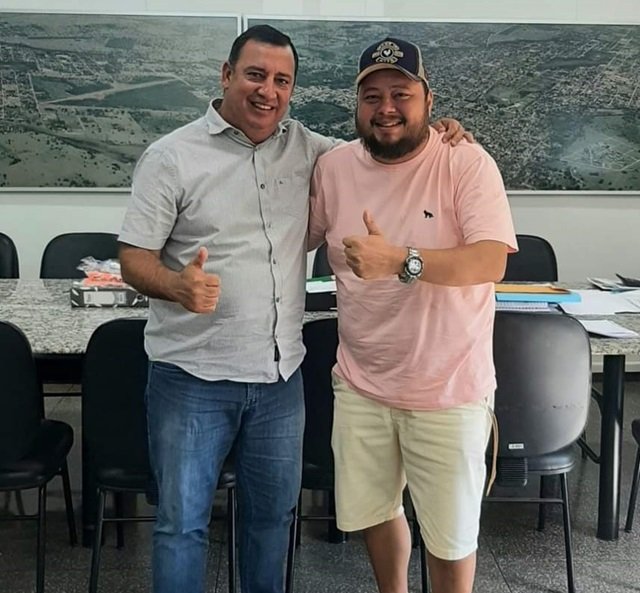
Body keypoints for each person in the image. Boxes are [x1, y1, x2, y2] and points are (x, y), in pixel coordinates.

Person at [118, 25, 470, 593]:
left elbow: (381, 144)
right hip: (192, 377)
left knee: (272, 523)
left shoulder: (313, 151)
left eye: (282, 81)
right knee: (181, 526)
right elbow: (134, 258)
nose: (268, 91)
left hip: (279, 381)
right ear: (226, 75)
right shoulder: (171, 157)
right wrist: (176, 286)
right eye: (256, 75)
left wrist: (441, 131)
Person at [308, 37, 518, 593]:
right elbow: (289, 235)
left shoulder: (464, 161)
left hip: (448, 389)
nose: (386, 108)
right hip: (361, 384)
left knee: (450, 539)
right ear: (356, 104)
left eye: (401, 94)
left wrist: (402, 260)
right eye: (371, 95)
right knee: (376, 513)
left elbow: (490, 260)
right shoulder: (333, 168)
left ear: (428, 99)